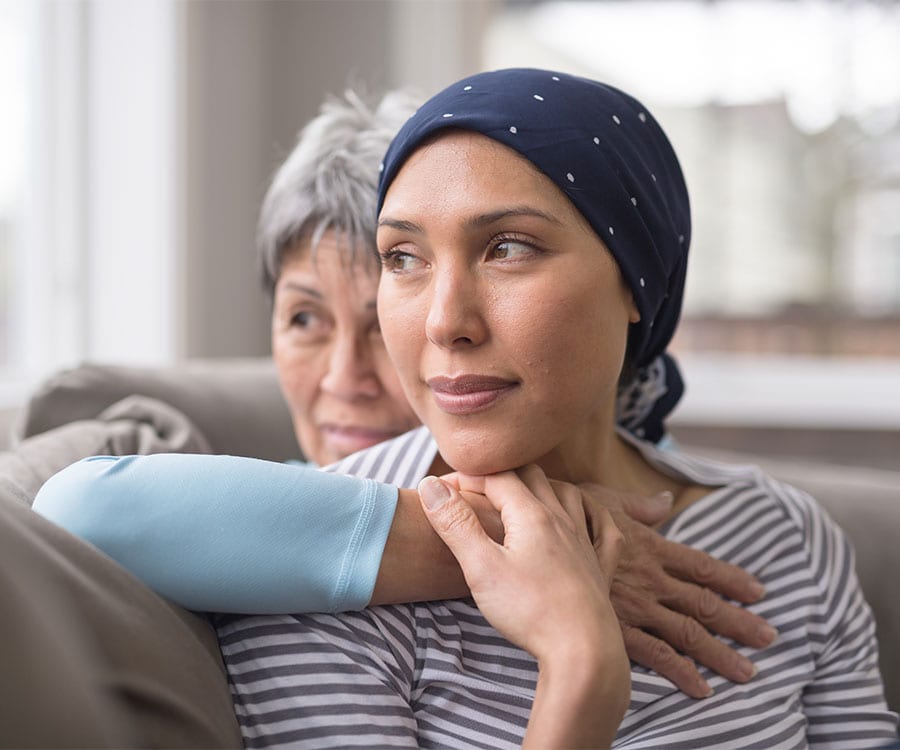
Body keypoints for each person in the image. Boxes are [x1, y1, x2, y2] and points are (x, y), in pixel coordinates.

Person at [172, 68, 900, 745]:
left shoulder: (789, 537)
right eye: (403, 257)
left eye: (508, 248)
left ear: (636, 286)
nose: (443, 321)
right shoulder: (308, 573)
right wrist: (580, 671)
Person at [36, 86, 778, 701]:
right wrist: (514, 543)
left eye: (505, 251)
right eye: (304, 318)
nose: (342, 378)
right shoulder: (277, 531)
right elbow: (78, 512)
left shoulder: (732, 521)